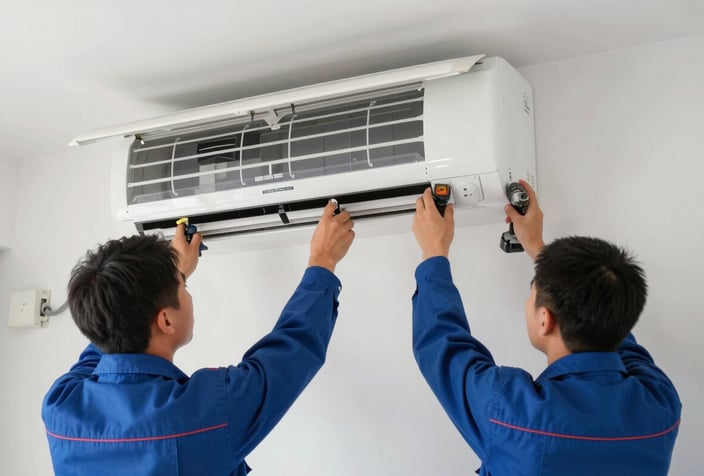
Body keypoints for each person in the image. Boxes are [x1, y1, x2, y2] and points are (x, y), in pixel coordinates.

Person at [41, 201, 355, 476]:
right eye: (183, 287)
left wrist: (167, 275)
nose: (186, 291)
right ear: (165, 319)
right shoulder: (207, 412)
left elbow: (109, 330)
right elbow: (291, 352)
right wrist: (322, 261)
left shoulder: (60, 406)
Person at [410, 181, 681, 476]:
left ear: (545, 319)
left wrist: (434, 250)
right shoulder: (660, 403)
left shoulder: (512, 413)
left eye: (531, 293)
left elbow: (443, 346)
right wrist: (539, 250)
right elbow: (608, 319)